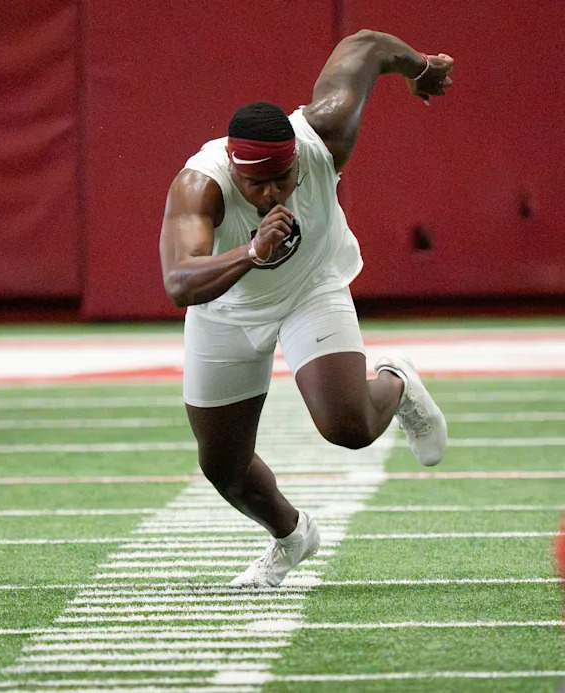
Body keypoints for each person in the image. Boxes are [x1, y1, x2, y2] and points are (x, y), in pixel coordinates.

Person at [158, 30, 453, 588]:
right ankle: (293, 536)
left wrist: (418, 68)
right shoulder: (200, 186)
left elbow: (365, 48)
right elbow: (178, 282)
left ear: (300, 159)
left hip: (309, 287)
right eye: (256, 184)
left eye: (282, 178)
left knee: (348, 426)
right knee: (222, 466)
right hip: (225, 310)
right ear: (232, 168)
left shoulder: (325, 136)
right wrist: (250, 250)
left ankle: (396, 384)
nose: (272, 193)